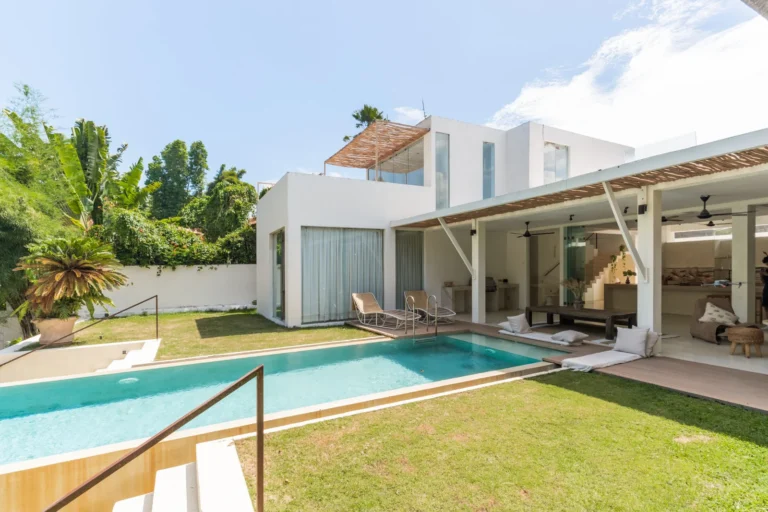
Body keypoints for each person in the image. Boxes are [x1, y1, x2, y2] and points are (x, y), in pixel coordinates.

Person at [762, 253, 768, 325]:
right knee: (766, 307)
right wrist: (762, 275)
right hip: (766, 289)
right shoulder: (765, 270)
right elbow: (763, 281)